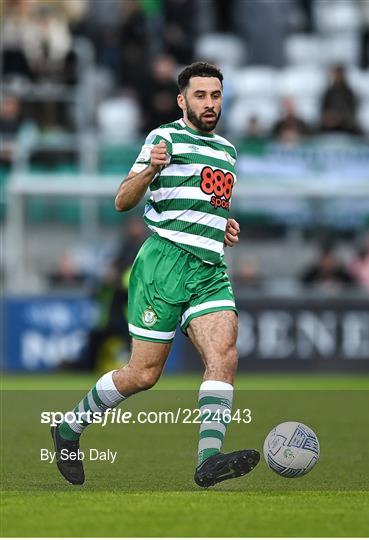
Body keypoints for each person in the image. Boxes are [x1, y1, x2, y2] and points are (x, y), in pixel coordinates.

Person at [51, 61, 260, 487]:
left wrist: (224, 225)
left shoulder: (227, 151)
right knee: (144, 374)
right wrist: (149, 170)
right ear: (183, 100)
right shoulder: (162, 138)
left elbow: (205, 205)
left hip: (208, 270)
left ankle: (208, 459)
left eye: (215, 95)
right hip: (162, 265)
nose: (209, 103)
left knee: (225, 354)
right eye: (200, 96)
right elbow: (122, 201)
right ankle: (69, 428)